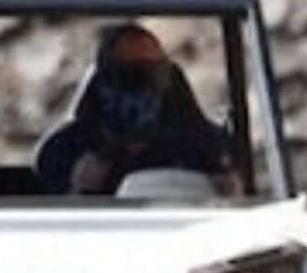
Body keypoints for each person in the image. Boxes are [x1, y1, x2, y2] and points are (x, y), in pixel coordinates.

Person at [40, 23, 238, 196]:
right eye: (132, 76)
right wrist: (79, 190)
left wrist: (225, 186)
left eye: (157, 75)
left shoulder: (203, 145)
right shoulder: (64, 152)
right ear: (105, 84)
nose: (147, 89)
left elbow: (236, 202)